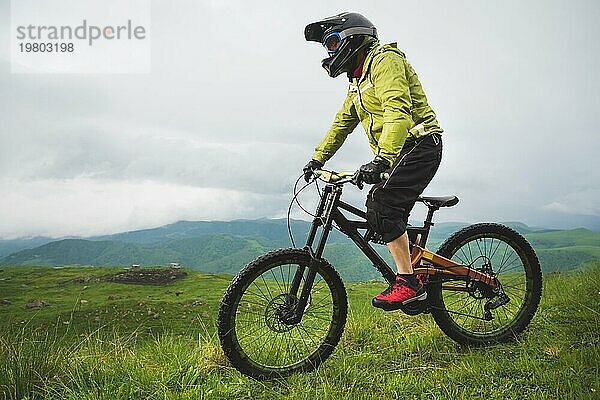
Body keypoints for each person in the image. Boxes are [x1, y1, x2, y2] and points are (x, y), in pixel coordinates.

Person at [303, 12, 443, 310]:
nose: (329, 52)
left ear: (353, 37)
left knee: (382, 204)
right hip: (398, 151)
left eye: (331, 42)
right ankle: (413, 267)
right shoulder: (357, 81)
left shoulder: (384, 61)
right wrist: (316, 159)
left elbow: (397, 110)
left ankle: (408, 283)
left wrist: (382, 159)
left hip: (420, 144)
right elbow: (342, 123)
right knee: (380, 209)